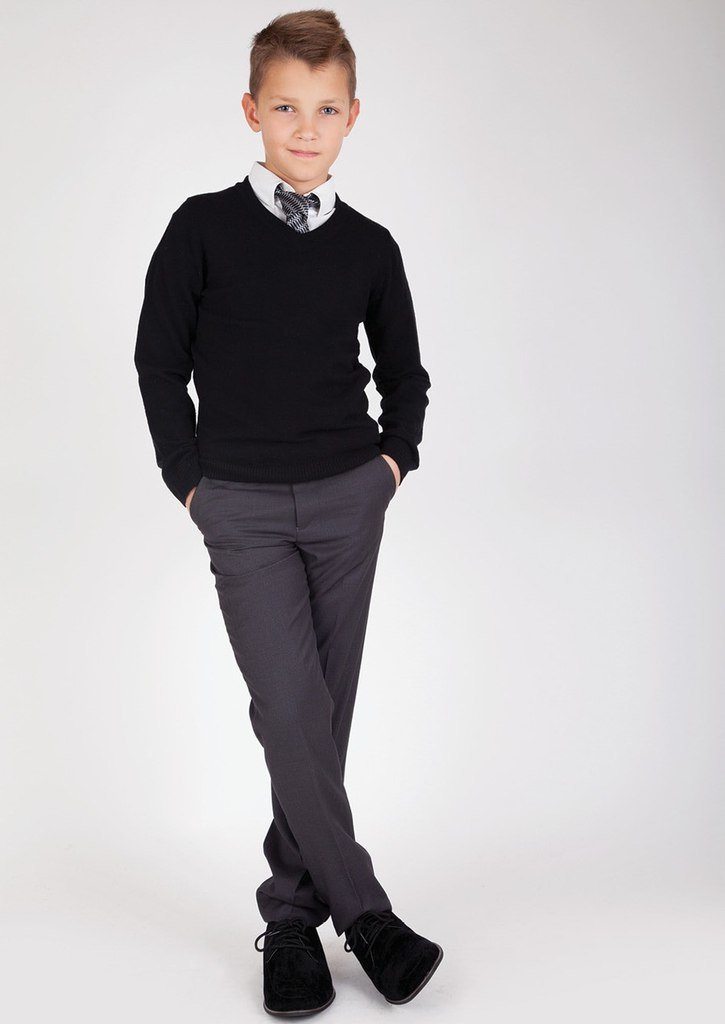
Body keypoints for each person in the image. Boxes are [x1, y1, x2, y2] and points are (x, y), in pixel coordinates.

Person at [133, 8, 441, 1016]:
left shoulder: (369, 246)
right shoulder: (201, 228)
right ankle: (366, 918)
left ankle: (292, 923)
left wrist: (391, 464)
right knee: (290, 709)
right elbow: (157, 360)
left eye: (325, 110)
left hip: (349, 498)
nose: (305, 129)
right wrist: (190, 480)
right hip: (243, 506)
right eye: (284, 108)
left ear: (351, 116)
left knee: (320, 716)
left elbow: (404, 373)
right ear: (250, 111)